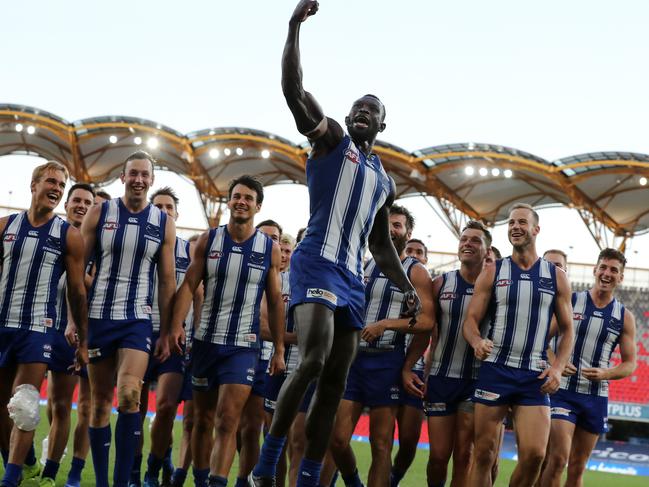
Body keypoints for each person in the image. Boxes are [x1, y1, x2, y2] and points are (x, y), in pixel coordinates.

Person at [251, 2, 420, 485]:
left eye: (374, 110)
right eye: (358, 107)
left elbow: (381, 244)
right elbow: (294, 90)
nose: (364, 112)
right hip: (316, 263)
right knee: (314, 359)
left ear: (383, 126)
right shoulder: (333, 142)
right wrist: (293, 28)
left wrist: (404, 284)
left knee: (334, 381)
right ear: (349, 116)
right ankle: (268, 463)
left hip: (352, 279)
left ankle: (306, 476)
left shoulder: (383, 181)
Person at [168, 175, 286, 487]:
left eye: (248, 197)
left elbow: (275, 302)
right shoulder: (209, 241)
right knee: (202, 421)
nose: (241, 201)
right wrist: (177, 325)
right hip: (205, 342)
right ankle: (201, 478)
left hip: (242, 348)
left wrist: (279, 350)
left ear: (257, 206)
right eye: (237, 196)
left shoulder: (269, 250)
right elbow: (189, 284)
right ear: (229, 201)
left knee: (227, 420)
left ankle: (218, 482)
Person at [81, 151, 177, 487]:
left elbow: (167, 281)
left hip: (137, 320)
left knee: (128, 397)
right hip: (97, 318)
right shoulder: (99, 212)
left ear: (151, 180)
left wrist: (167, 331)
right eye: (132, 173)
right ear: (122, 177)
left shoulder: (163, 222)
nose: (138, 180)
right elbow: (76, 273)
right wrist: (72, 322)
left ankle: (122, 482)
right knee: (97, 406)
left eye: (144, 175)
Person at [463, 203, 575, 487]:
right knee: (484, 455)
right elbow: (471, 321)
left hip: (533, 375)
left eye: (522, 222)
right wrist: (476, 341)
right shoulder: (493, 271)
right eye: (511, 222)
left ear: (536, 229)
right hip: (495, 370)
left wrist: (558, 368)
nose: (515, 227)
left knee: (536, 455)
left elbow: (567, 330)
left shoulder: (556, 276)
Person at [325, 205, 434, 487]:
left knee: (381, 443)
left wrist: (385, 324)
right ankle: (353, 483)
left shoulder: (416, 271)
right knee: (336, 439)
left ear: (408, 233)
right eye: (387, 224)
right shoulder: (363, 264)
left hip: (387, 360)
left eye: (397, 225)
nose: (391, 230)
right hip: (353, 359)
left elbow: (426, 322)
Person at [0, 161, 89, 487]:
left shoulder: (69, 235)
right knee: (3, 408)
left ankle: (10, 480)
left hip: (39, 328)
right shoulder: (5, 226)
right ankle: (24, 462)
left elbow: (78, 292)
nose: (56, 188)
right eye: (51, 181)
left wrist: (81, 340)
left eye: (61, 185)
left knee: (24, 403)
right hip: (2, 323)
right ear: (34, 184)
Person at [540, 248, 636, 487]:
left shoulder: (624, 317)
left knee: (577, 468)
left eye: (614, 270)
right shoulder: (572, 301)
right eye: (603, 267)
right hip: (563, 392)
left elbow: (630, 363)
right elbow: (542, 339)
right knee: (558, 458)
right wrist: (556, 362)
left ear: (620, 277)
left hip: (595, 398)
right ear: (595, 270)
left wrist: (606, 373)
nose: (607, 273)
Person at [423, 221, 492, 487]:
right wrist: (424, 371)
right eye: (464, 239)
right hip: (441, 377)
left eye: (475, 240)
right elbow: (429, 332)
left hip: (475, 381)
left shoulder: (496, 288)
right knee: (439, 456)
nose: (467, 244)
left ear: (487, 250)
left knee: (465, 455)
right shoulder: (440, 283)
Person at [39, 183, 95, 487]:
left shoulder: (95, 244)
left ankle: (51, 473)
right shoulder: (50, 232)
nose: (82, 206)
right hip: (36, 325)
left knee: (62, 404)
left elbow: (96, 285)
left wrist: (76, 268)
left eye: (88, 202)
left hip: (70, 333)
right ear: (67, 203)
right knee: (29, 401)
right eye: (77, 200)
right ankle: (31, 459)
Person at [136, 187, 191, 487]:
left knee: (168, 407)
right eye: (158, 206)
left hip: (175, 338)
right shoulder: (139, 246)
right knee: (135, 406)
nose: (165, 211)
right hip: (140, 333)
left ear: (177, 214)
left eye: (169, 206)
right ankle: (134, 471)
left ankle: (153, 469)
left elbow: (198, 294)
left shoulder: (189, 251)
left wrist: (183, 327)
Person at [235, 220, 284, 487]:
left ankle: (246, 481)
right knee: (236, 427)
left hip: (270, 362)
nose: (271, 243)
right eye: (265, 236)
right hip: (240, 352)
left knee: (257, 427)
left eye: (275, 238)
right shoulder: (244, 271)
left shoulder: (290, 281)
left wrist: (281, 345)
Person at [391, 237, 429, 487]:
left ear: (425, 260)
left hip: (415, 371)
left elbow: (428, 328)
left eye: (420, 252)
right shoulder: (385, 278)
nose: (414, 255)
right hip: (383, 361)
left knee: (408, 440)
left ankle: (393, 478)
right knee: (381, 438)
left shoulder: (430, 288)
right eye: (410, 250)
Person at [170, 233, 203, 487]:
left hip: (197, 352)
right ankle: (162, 466)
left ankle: (181, 474)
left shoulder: (208, 281)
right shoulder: (173, 280)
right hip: (174, 349)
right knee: (165, 411)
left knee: (193, 420)